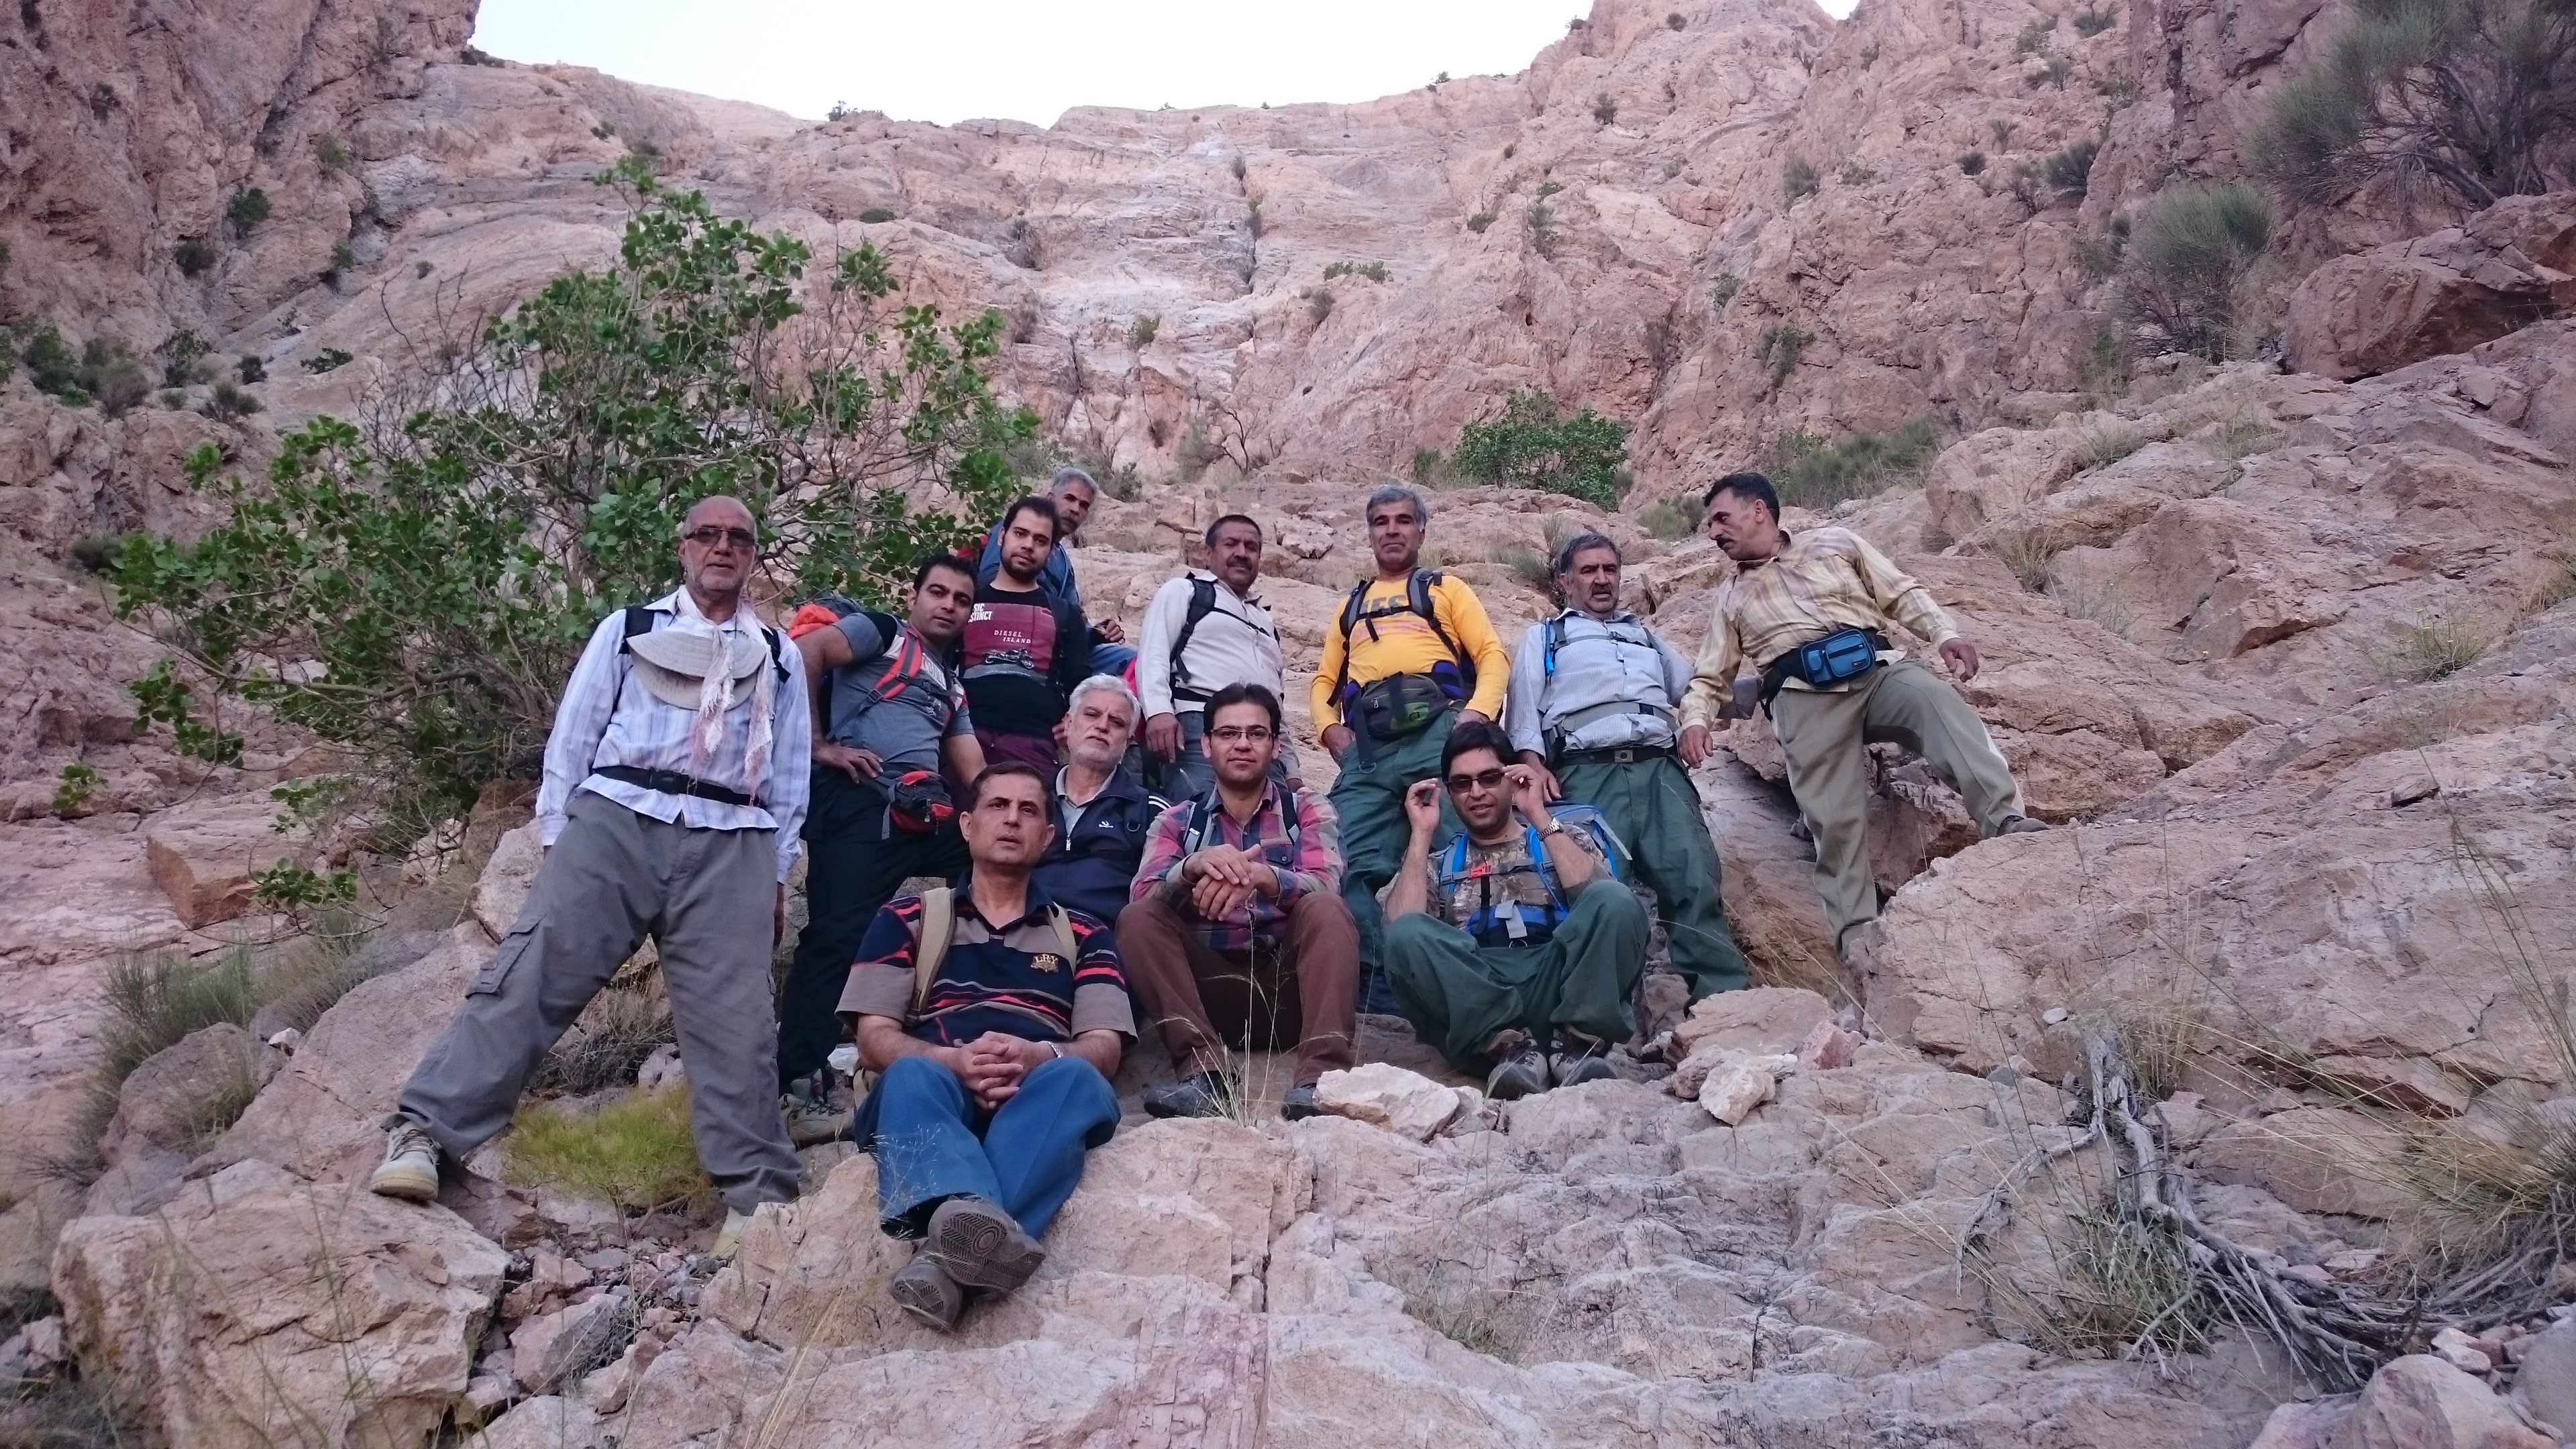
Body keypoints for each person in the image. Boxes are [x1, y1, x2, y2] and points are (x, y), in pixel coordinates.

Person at [371, 496, 807, 1256]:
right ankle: (425, 1135)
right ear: (683, 546)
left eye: (739, 538)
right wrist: (556, 835)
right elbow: (574, 734)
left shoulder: (778, 654)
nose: (723, 547)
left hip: (732, 835)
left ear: (753, 555)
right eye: (707, 534)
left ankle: (756, 1198)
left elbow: (791, 770)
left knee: (737, 1021)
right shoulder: (628, 629)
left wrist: (774, 871)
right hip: (617, 818)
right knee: (533, 972)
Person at [1683, 471, 2046, 959]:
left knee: (1939, 705)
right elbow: (1710, 676)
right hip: (1803, 698)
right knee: (1833, 819)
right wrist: (1696, 721)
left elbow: (1899, 592)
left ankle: (2005, 821)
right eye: (1709, 525)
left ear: (1758, 511)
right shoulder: (1729, 598)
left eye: (1721, 518)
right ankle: (1857, 936)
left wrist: (1945, 634)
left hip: (1876, 671)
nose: (1713, 532)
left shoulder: (1836, 543)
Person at [839, 763, 1130, 1332]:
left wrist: (1036, 1055)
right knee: (910, 1075)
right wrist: (951, 1060)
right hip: (936, 1088)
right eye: (998, 806)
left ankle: (941, 1263)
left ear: (1048, 836)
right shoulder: (906, 919)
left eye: (1029, 810)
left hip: (1036, 1092)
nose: (1012, 820)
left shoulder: (1087, 934)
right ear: (968, 826)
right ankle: (974, 1240)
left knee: (1076, 1078)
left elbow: (1104, 1047)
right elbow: (873, 1039)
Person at [773, 553, 988, 1129]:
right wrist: (818, 744)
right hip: (859, 805)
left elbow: (974, 769)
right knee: (836, 937)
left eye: (961, 600)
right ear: (914, 596)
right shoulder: (882, 632)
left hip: (923, 815)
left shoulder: (952, 685)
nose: (948, 605)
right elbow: (806, 653)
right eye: (937, 592)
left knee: (993, 860)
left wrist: (1012, 814)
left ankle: (961, 1004)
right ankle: (796, 1080)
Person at [1507, 533, 1751, 1004]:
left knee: (1693, 876)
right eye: (1589, 571)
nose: (1602, 579)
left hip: (1660, 770)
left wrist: (1776, 682)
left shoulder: (1646, 637)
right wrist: (1534, 766)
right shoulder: (1546, 637)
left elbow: (1698, 689)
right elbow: (1522, 712)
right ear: (1565, 581)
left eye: (1610, 570)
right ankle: (1597, 1013)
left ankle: (1724, 1001)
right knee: (1595, 888)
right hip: (1587, 773)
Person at [1309, 484, 1511, 1006]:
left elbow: (1491, 655)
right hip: (1369, 751)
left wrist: (1473, 719)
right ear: (1369, 533)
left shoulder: (1446, 589)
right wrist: (1329, 729)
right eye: (1381, 521)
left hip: (1438, 734)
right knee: (1342, 857)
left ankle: (1480, 975)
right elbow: (1325, 681)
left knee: (1462, 852)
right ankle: (1381, 987)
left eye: (1403, 520)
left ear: (1421, 531)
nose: (1392, 530)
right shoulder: (1350, 606)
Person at [1119, 684, 1359, 1121]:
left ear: (1275, 746)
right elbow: (1143, 895)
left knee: (1326, 909)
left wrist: (1265, 878)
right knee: (1138, 919)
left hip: (1289, 991)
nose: (1243, 744)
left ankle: (1321, 1080)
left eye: (1256, 733)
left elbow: (1327, 883)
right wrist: (1191, 868)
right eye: (1229, 733)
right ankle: (1205, 1074)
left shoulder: (1307, 809)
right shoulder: (1175, 822)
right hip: (1208, 995)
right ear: (1206, 745)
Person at [1380, 722, 1648, 1099]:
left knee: (1615, 899)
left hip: (1562, 994)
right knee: (1408, 933)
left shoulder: (1562, 837)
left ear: (1512, 778)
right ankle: (1509, 1049)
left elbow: (1610, 906)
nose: (1476, 793)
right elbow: (1399, 934)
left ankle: (1578, 1046)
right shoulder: (1437, 864)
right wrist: (1422, 834)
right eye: (1462, 784)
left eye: (1490, 778)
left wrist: (1538, 815)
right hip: (1478, 1017)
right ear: (1449, 793)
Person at [1134, 513, 1287, 798]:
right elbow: (1154, 652)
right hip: (1200, 726)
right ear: (1208, 553)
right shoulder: (1185, 591)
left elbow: (1276, 698)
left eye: (1251, 547)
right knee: (1202, 812)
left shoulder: (1265, 621)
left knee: (1275, 821)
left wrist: (1292, 769)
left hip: (1262, 737)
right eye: (1231, 544)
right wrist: (1158, 712)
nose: (1242, 553)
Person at [960, 494, 1092, 773]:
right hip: (963, 740)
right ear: (1002, 537)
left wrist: (1074, 717)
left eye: (1040, 541)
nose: (1028, 545)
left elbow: (1079, 681)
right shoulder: (965, 601)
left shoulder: (1065, 613)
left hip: (1033, 747)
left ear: (1052, 551)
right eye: (1020, 534)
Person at [971, 466, 1134, 678]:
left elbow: (1071, 618)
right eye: (1070, 499)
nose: (1075, 509)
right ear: (1050, 498)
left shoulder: (1063, 560)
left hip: (1060, 645)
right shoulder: (1014, 533)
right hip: (1011, 637)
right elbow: (990, 581)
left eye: (1084, 505)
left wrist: (1097, 633)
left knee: (1135, 661)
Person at [1032, 674, 1166, 924]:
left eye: (1117, 722)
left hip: (1105, 936)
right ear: (1068, 725)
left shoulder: (1153, 812)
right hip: (1025, 928)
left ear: (1128, 742)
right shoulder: (1027, 799)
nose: (1103, 726)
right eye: (1092, 715)